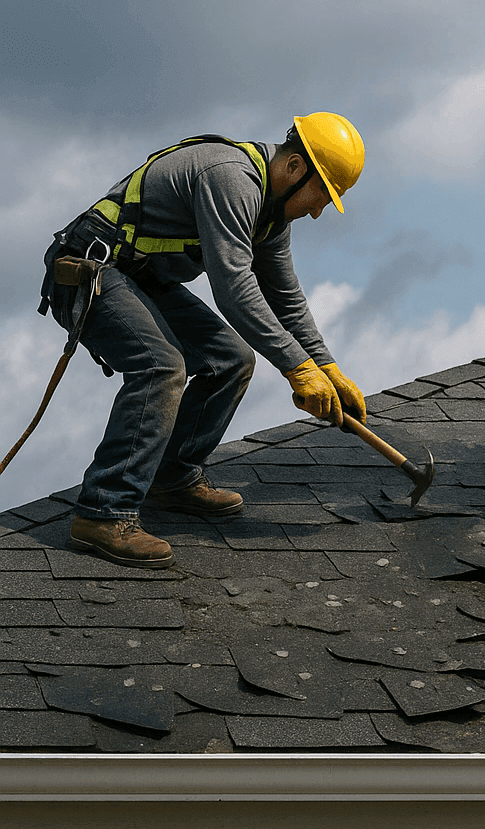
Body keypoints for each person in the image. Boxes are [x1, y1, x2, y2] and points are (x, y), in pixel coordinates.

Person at [40, 113, 368, 570]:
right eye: (322, 194)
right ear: (295, 167)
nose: (318, 210)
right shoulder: (231, 179)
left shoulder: (270, 215)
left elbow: (285, 299)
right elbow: (234, 289)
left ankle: (171, 478)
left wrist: (326, 367)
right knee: (160, 366)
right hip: (90, 272)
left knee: (230, 358)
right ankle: (103, 511)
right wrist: (298, 368)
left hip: (139, 280)